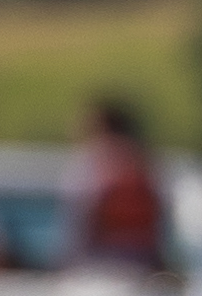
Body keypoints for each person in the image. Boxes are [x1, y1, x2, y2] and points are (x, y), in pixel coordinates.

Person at [64, 94, 169, 271]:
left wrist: (68, 263)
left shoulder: (92, 161)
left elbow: (80, 218)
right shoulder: (145, 162)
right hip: (143, 263)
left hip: (98, 265)